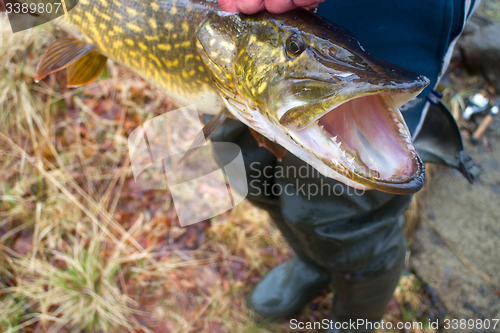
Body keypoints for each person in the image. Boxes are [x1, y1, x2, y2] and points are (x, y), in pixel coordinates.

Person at [211, 1, 482, 331]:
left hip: (391, 26)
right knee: (248, 167)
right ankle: (314, 263)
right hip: (234, 34)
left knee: (347, 222)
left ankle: (355, 320)